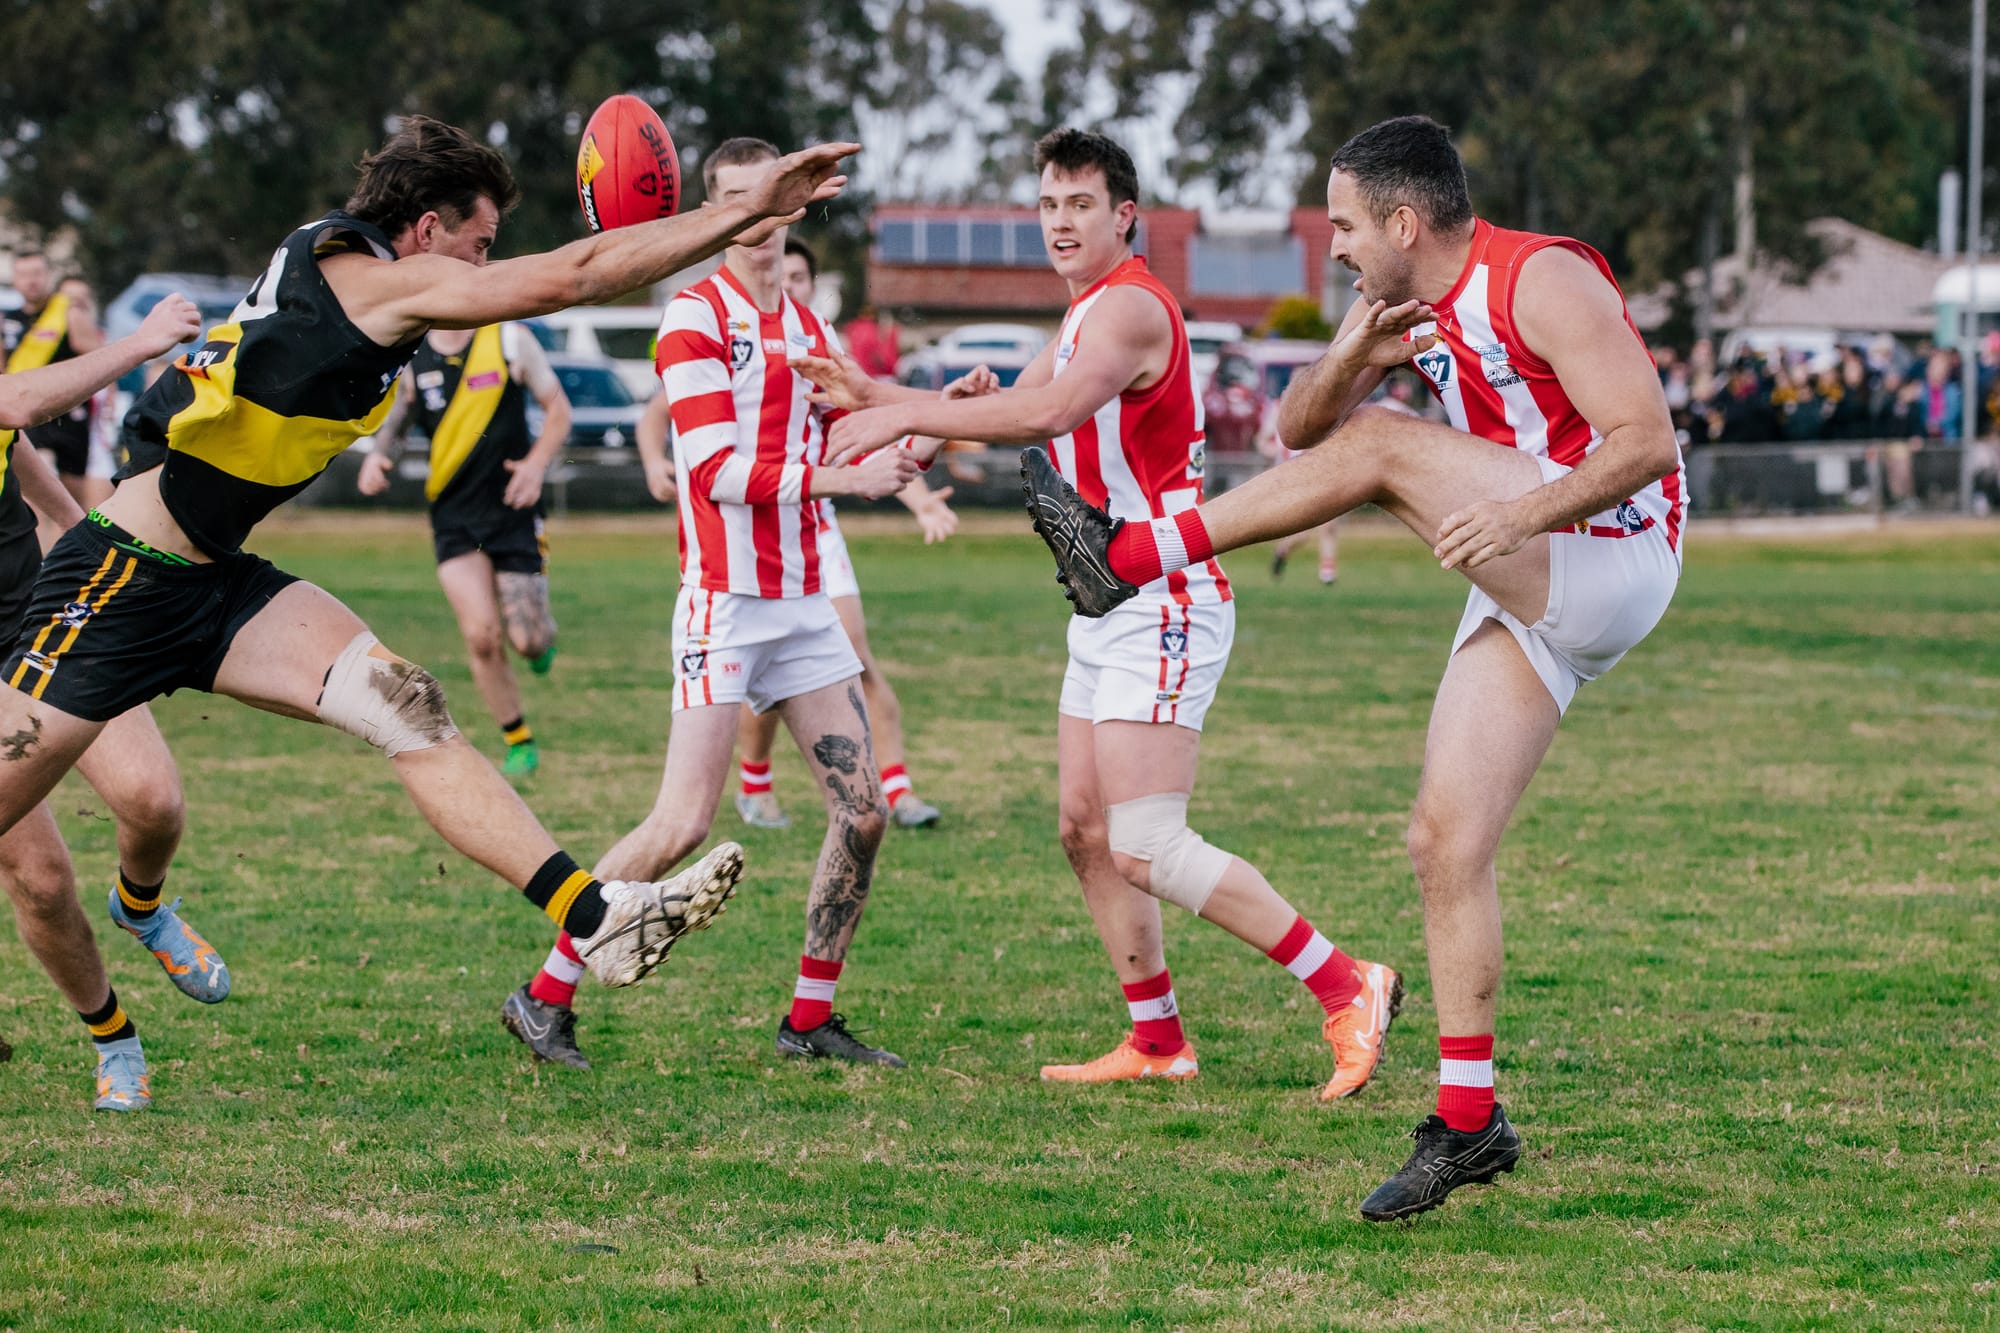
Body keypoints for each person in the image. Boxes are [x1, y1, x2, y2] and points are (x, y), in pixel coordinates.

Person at [0, 115, 857, 1006]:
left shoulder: (355, 275)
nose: (483, 270)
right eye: (478, 246)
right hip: (121, 577)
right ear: (425, 231)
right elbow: (571, 275)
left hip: (217, 578)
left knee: (408, 704)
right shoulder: (373, 281)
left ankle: (597, 917)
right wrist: (747, 209)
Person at [1014, 115, 1685, 1221]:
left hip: (1610, 551)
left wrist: (1518, 511)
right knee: (1440, 840)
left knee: (1378, 446)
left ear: (1403, 221)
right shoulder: (1400, 306)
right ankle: (1469, 1124)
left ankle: (1126, 557)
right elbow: (1297, 431)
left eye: (1340, 225)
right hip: (1530, 567)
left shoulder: (1543, 279)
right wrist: (1350, 354)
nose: (1330, 247)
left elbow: (1645, 441)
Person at [800, 128, 1403, 1100]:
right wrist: (877, 394)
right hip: (1105, 604)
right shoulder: (1084, 310)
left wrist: (899, 416)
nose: (1058, 223)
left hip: (1163, 597)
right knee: (1084, 829)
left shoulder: (1124, 308)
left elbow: (1043, 414)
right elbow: (1025, 398)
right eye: (1046, 206)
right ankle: (1157, 1041)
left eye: (1078, 205)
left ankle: (1347, 985)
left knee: (1146, 842)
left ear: (1124, 217)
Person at [503, 139, 919, 1072]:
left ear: (793, 206)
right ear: (716, 210)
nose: (755, 211)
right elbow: (717, 470)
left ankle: (809, 1020)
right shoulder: (692, 318)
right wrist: (848, 481)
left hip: (803, 602)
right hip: (726, 604)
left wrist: (928, 423)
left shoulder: (811, 329)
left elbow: (860, 432)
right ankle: (543, 994)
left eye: (767, 194)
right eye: (734, 197)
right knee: (680, 823)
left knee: (862, 813)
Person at [0, 291, 229, 1111]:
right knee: (41, 879)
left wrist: (85, 530)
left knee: (153, 798)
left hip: (45, 628)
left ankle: (141, 904)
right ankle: (113, 1036)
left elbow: (19, 444)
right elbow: (17, 399)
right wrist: (140, 342)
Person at [732, 238, 954, 831]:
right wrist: (656, 462)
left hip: (818, 533)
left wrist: (922, 499)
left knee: (856, 658)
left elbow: (865, 438)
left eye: (800, 274)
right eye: (786, 273)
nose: (792, 283)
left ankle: (897, 790)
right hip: (750, 542)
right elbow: (664, 424)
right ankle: (756, 783)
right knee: (763, 681)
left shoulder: (819, 349)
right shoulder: (731, 342)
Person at [357, 313, 573, 777]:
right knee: (481, 634)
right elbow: (397, 421)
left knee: (528, 639)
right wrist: (378, 457)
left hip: (514, 511)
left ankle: (539, 645)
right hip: (454, 516)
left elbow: (559, 410)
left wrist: (536, 465)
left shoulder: (510, 340)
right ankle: (518, 740)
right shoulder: (416, 355)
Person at [4, 253, 111, 510]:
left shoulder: (67, 313)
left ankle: (67, 542)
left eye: (37, 274)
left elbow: (101, 358)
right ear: (15, 280)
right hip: (28, 415)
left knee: (72, 495)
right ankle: (40, 547)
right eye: (24, 275)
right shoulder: (5, 320)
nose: (31, 282)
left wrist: (109, 401)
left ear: (48, 276)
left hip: (68, 416)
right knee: (33, 484)